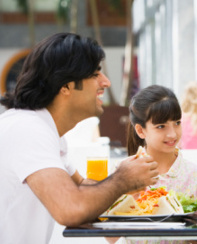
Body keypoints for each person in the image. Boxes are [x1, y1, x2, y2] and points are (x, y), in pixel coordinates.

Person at [0, 33, 160, 244]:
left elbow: (82, 188)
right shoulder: (27, 128)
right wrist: (123, 179)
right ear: (65, 86)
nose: (106, 82)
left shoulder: (45, 130)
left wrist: (132, 191)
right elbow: (70, 208)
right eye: (95, 74)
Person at [127, 84, 197, 197]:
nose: (172, 134)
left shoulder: (196, 175)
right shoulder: (124, 174)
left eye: (177, 123)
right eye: (161, 126)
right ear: (140, 130)